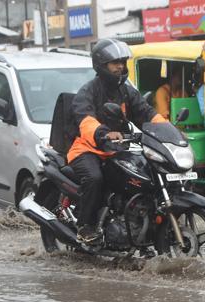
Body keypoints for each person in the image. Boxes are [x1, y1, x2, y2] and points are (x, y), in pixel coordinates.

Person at [68, 39, 166, 245]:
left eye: (122, 62)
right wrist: (105, 133)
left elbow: (146, 112)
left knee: (147, 175)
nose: (120, 66)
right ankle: (85, 226)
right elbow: (86, 121)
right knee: (94, 178)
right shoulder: (88, 91)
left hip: (118, 149)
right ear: (102, 65)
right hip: (88, 148)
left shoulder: (126, 91)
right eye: (115, 63)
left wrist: (169, 130)